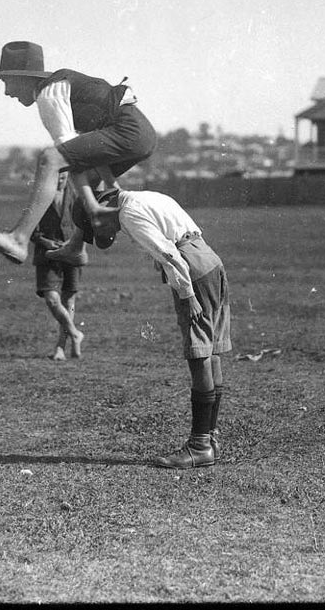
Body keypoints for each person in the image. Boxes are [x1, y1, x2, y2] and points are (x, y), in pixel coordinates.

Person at [0, 41, 157, 266]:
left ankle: (19, 239)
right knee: (86, 179)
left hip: (130, 132)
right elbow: (85, 157)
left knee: (50, 159)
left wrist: (93, 204)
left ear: (24, 77)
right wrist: (105, 189)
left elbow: (66, 158)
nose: (7, 92)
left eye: (7, 81)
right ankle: (77, 247)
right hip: (141, 135)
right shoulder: (64, 87)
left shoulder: (49, 93)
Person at [87, 188, 232, 469]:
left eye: (99, 222)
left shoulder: (128, 213)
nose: (108, 231)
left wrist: (187, 296)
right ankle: (211, 437)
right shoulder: (146, 197)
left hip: (191, 268)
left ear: (105, 206)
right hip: (210, 260)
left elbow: (169, 254)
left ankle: (200, 445)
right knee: (211, 350)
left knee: (199, 351)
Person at [31, 172, 84, 360]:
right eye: (55, 177)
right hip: (47, 255)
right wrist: (46, 242)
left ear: (68, 174)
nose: (59, 181)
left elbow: (85, 223)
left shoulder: (77, 193)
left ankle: (61, 347)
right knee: (52, 300)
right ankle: (76, 333)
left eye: (62, 177)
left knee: (69, 301)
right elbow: (29, 228)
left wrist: (74, 242)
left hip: (71, 252)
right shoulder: (39, 195)